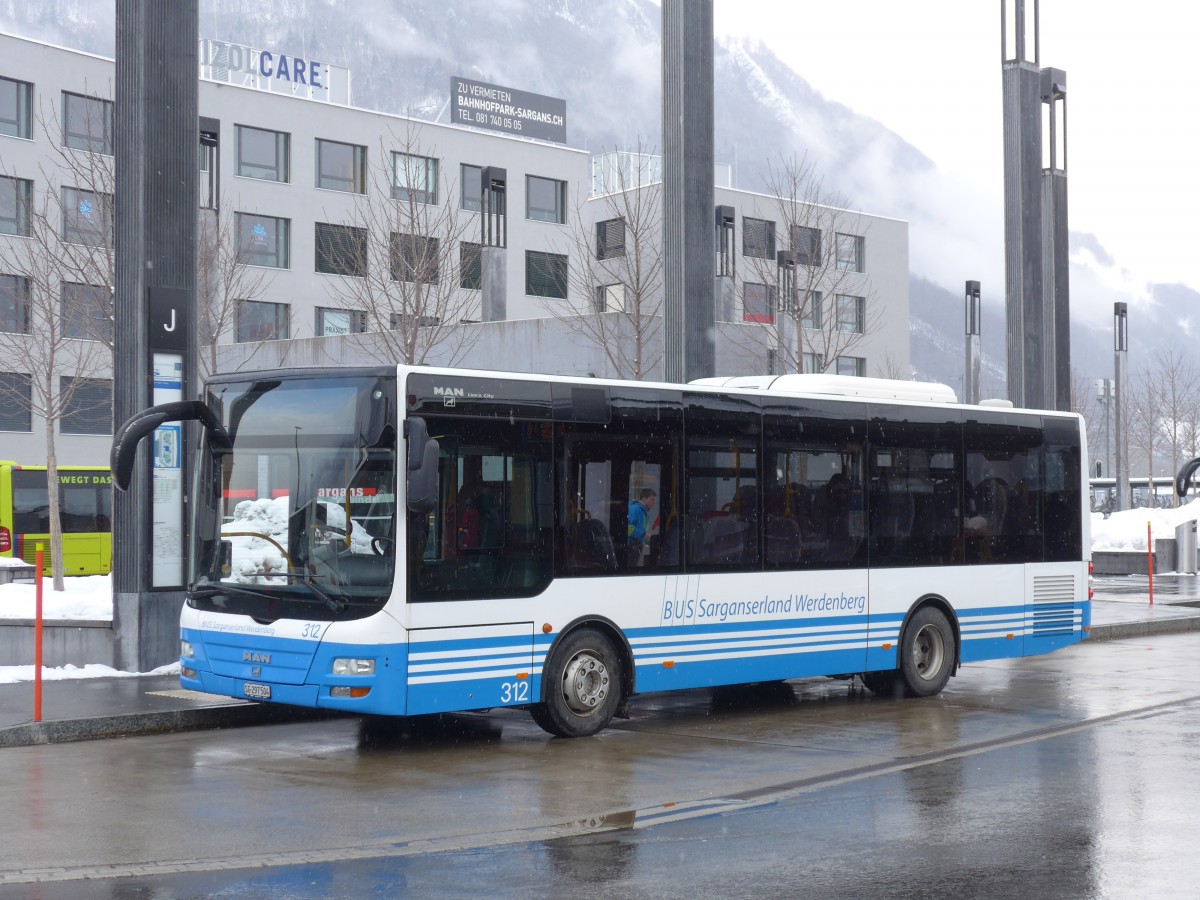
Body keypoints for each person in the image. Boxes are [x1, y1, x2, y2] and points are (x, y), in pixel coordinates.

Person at [626, 488, 657, 568]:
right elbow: (627, 527)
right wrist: (644, 534)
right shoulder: (635, 509)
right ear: (643, 499)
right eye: (652, 499)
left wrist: (647, 542)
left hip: (636, 546)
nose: (654, 503)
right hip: (631, 546)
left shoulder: (643, 512)